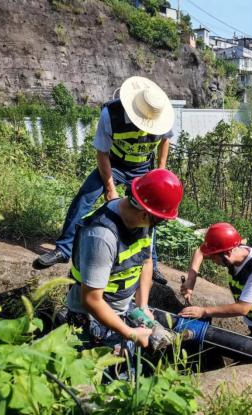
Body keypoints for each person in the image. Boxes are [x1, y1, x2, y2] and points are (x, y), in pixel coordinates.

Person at [35, 76, 174, 284]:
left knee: (149, 210)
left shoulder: (161, 115)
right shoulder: (111, 115)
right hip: (114, 164)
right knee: (85, 197)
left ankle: (150, 263)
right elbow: (102, 153)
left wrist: (159, 172)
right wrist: (110, 188)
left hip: (142, 168)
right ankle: (63, 249)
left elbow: (165, 140)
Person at [65, 169, 183, 351]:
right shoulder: (102, 236)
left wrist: (143, 306)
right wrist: (130, 333)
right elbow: (91, 299)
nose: (158, 225)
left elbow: (146, 262)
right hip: (91, 316)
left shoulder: (144, 221)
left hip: (124, 309)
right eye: (160, 220)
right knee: (91, 366)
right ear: (145, 213)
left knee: (125, 363)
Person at [179, 223, 252, 344]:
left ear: (227, 253)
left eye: (214, 257)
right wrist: (190, 282)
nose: (212, 260)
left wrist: (203, 311)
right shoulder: (233, 250)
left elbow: (242, 308)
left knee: (239, 355)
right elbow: (200, 252)